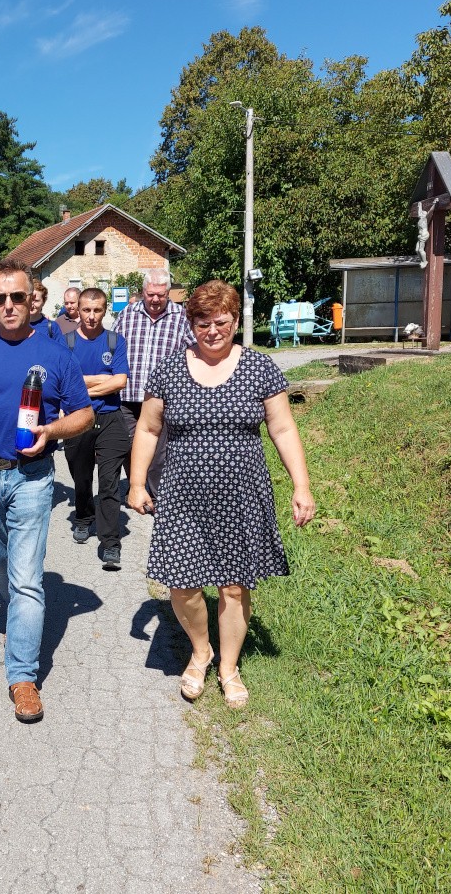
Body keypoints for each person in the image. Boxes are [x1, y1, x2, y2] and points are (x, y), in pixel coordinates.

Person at [127, 280, 314, 708]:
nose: (213, 331)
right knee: (182, 583)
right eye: (203, 322)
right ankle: (200, 650)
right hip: (182, 496)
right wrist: (137, 482)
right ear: (190, 323)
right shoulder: (170, 369)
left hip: (242, 495)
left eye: (222, 322)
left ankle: (228, 666)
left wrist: (301, 485)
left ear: (236, 321)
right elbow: (149, 428)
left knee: (233, 586)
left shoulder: (260, 368)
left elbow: (283, 428)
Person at [0, 257, 93, 723]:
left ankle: (22, 677)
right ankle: (17, 611)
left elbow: (84, 415)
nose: (8, 305)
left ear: (32, 300)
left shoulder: (56, 354)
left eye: (18, 297)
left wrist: (52, 431)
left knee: (28, 578)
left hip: (33, 478)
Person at [62, 288, 130, 570]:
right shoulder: (66, 343)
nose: (91, 316)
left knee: (109, 483)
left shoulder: (115, 341)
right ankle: (83, 517)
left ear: (105, 311)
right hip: (77, 420)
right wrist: (101, 379)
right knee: (81, 477)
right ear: (77, 309)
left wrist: (84, 385)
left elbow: (120, 382)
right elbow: (66, 382)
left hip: (110, 419)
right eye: (86, 310)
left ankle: (111, 544)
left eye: (97, 310)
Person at [112, 267, 193, 498]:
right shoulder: (128, 314)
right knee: (128, 446)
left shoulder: (181, 317)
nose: (155, 299)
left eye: (161, 295)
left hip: (163, 399)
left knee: (159, 452)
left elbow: (194, 351)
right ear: (143, 291)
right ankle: (136, 486)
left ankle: (158, 497)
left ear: (168, 293)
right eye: (151, 294)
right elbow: (113, 347)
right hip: (129, 396)